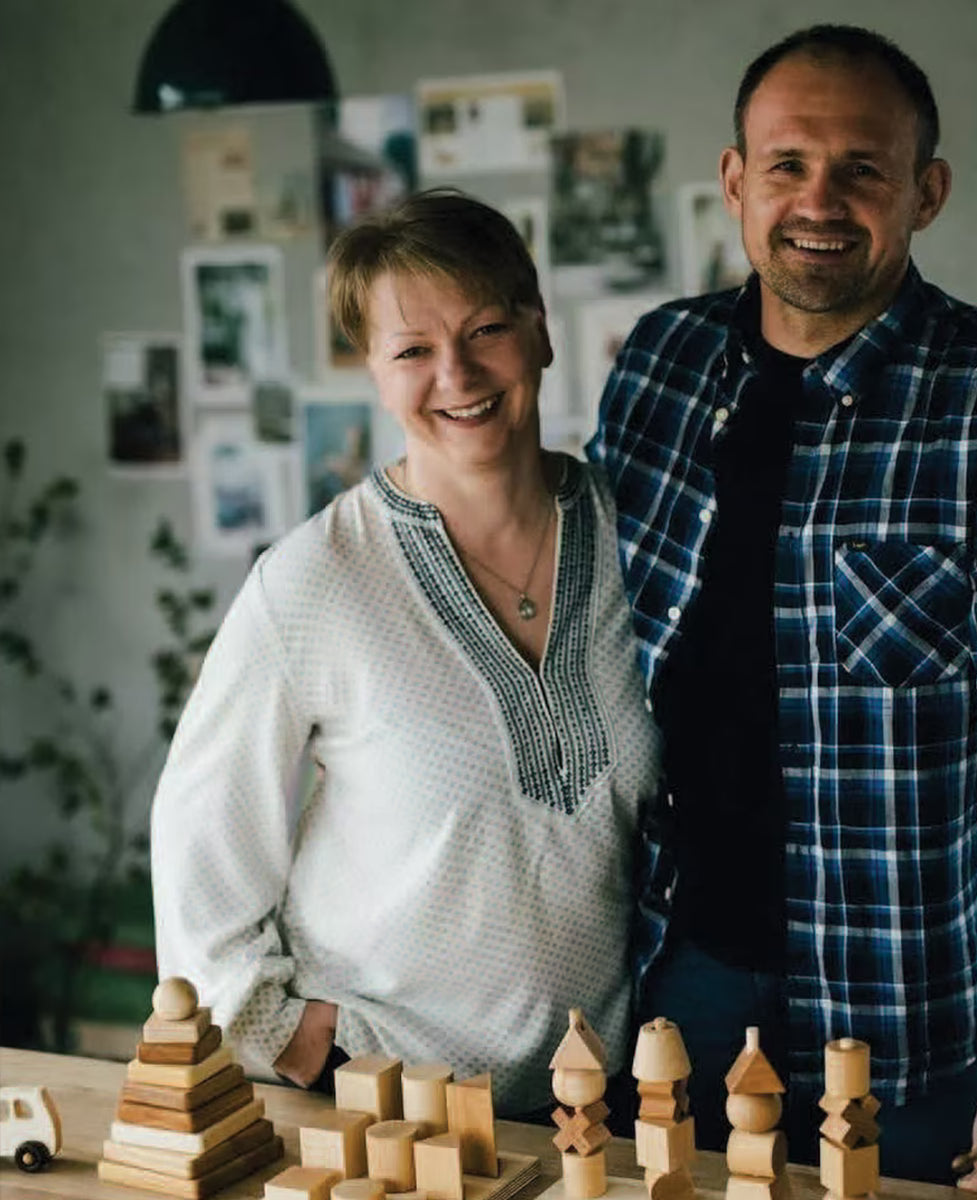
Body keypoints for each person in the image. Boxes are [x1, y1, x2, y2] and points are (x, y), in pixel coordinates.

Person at [589, 24, 977, 1192]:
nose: (818, 200)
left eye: (862, 170)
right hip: (675, 975)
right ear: (735, 179)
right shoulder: (658, 367)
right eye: (786, 164)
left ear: (925, 193)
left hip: (908, 1020)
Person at [152, 190, 661, 1117]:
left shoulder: (642, 540)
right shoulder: (312, 581)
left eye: (487, 329)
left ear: (541, 332)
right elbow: (199, 848)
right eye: (413, 351)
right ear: (376, 375)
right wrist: (296, 1042)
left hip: (601, 1106)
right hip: (387, 1105)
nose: (457, 373)